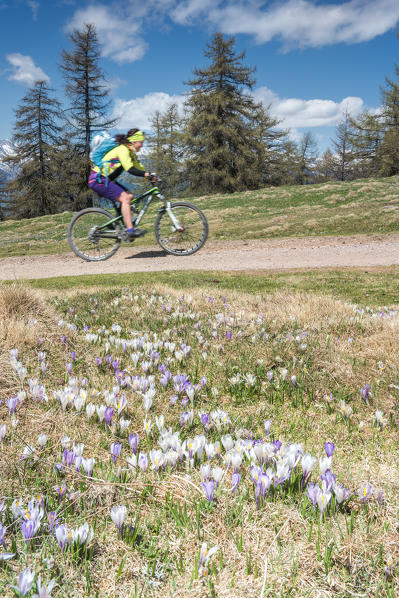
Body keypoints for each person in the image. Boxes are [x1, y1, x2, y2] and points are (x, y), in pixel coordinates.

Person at [88, 128, 156, 241]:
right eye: (141, 143)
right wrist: (146, 175)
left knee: (129, 196)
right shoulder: (123, 149)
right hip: (98, 180)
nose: (142, 145)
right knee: (125, 199)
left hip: (106, 180)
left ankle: (119, 224)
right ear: (134, 141)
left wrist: (151, 175)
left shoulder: (130, 153)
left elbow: (139, 168)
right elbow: (130, 169)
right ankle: (130, 230)